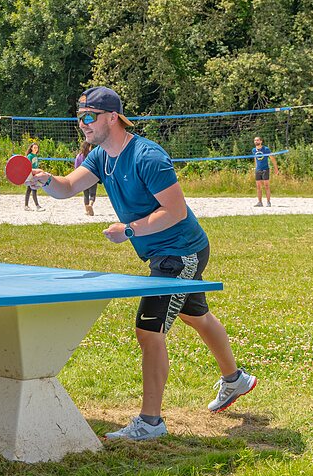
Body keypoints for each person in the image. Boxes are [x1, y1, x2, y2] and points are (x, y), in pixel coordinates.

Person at [31, 86, 257, 442]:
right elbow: (68, 188)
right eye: (79, 119)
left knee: (148, 331)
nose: (83, 124)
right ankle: (236, 380)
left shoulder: (148, 157)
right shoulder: (101, 157)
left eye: (89, 117)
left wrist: (130, 230)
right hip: (166, 252)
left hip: (180, 252)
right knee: (194, 314)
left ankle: (150, 423)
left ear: (111, 117)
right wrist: (45, 181)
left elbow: (176, 211)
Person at [251, 136, 280, 207]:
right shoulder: (254, 150)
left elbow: (272, 159)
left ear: (261, 141)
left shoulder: (266, 149)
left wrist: (276, 169)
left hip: (265, 169)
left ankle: (268, 202)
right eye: (255, 140)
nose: (256, 142)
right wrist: (255, 167)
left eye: (257, 140)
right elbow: (255, 159)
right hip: (258, 169)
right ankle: (260, 202)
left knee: (266, 186)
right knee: (258, 186)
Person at [73, 140, 98, 216]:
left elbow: (76, 168)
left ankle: (86, 210)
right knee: (92, 194)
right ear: (89, 146)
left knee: (85, 194)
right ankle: (90, 204)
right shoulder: (92, 155)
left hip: (82, 178)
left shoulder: (79, 156)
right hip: (92, 177)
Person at [23, 142, 42, 210]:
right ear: (31, 148)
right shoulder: (30, 156)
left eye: (37, 147)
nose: (36, 149)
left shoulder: (35, 155)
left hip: (34, 174)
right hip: (30, 174)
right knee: (33, 189)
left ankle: (26, 206)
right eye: (34, 147)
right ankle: (37, 206)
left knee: (29, 189)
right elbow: (28, 166)